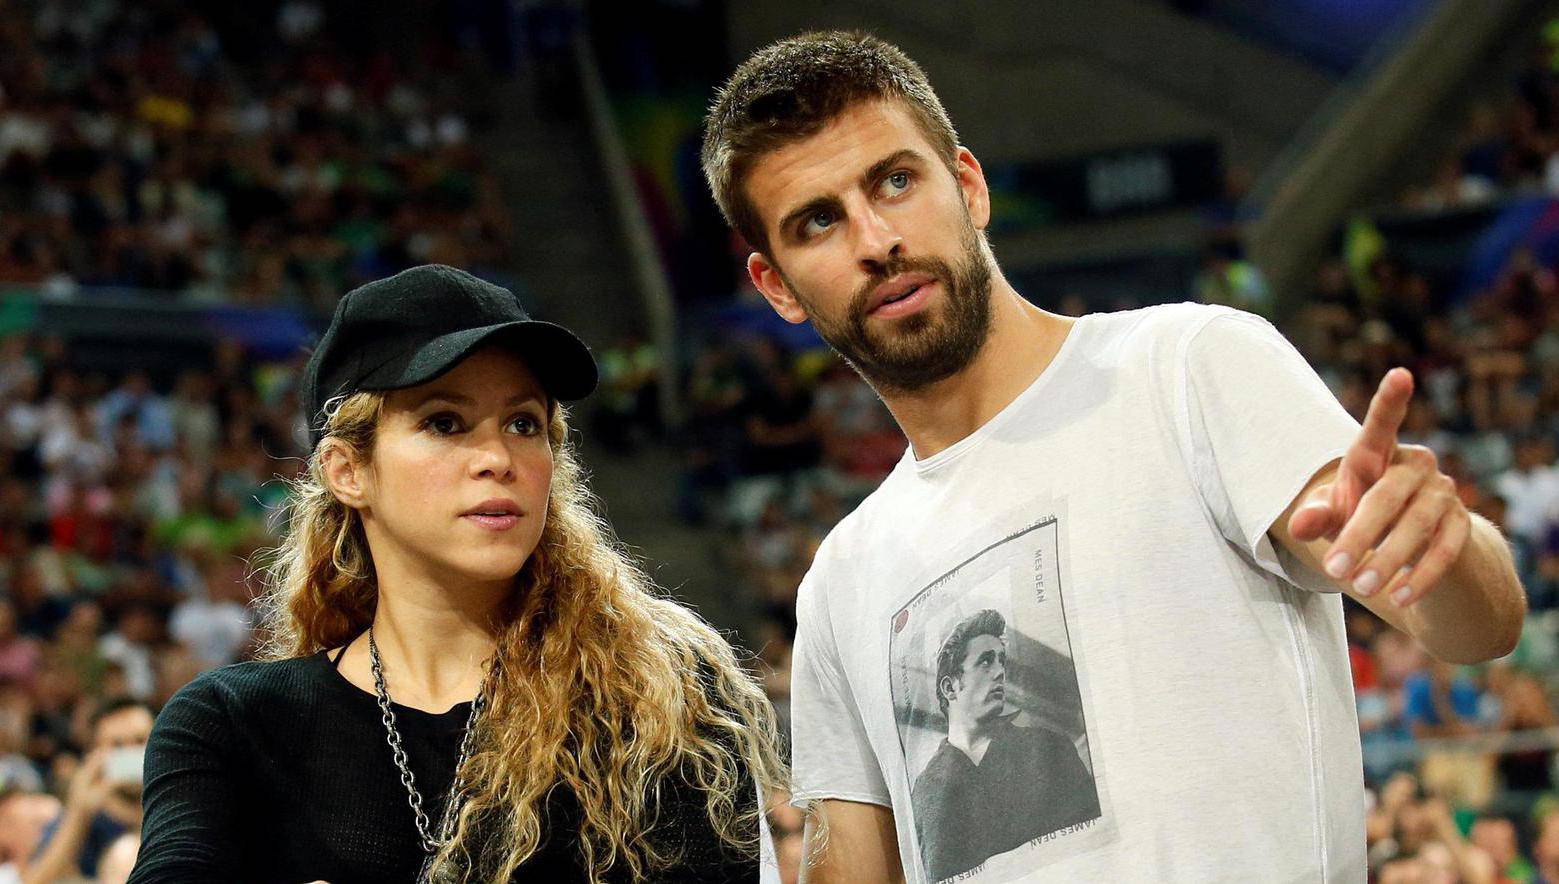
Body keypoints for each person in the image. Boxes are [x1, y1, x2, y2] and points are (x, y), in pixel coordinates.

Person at [700, 31, 1525, 882]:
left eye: (896, 181)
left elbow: (1479, 624)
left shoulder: (1188, 367)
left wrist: (1444, 551)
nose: (875, 239)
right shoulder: (840, 582)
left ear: (969, 186)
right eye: (819, 221)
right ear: (776, 287)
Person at [129, 265, 786, 882]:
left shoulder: (661, 699)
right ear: (347, 470)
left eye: (523, 423)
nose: (498, 457)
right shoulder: (231, 724)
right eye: (444, 422)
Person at [911, 610, 1097, 881]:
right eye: (985, 662)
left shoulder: (1051, 749)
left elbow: (1097, 849)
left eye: (1001, 661)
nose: (1000, 672)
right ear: (950, 687)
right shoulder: (925, 791)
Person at [25, 697, 152, 884]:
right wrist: (78, 813)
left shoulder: (182, 801)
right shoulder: (85, 817)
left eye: (140, 741)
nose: (131, 752)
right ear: (96, 754)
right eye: (117, 745)